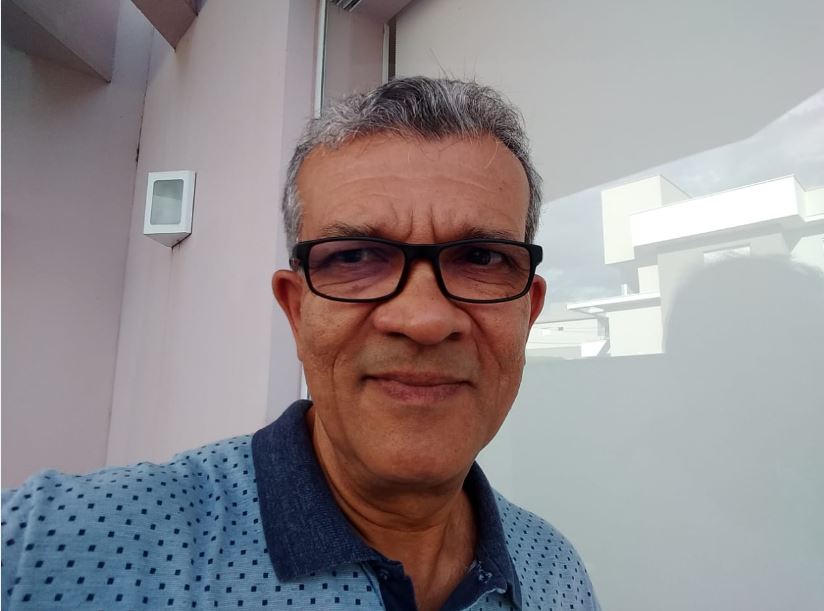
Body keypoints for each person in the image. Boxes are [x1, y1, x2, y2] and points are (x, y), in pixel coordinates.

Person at [2, 77, 600, 610]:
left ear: (528, 312)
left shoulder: (557, 574)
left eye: (482, 258)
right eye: (356, 256)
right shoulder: (53, 547)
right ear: (295, 309)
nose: (423, 318)